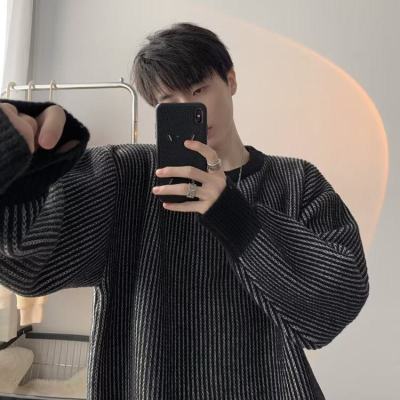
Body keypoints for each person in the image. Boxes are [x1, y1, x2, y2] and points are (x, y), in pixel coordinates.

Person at [0, 22, 369, 400]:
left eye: (198, 90)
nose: (188, 108)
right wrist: (13, 157)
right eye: (168, 100)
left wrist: (232, 213)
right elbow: (28, 261)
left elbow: (332, 307)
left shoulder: (296, 181)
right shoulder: (127, 176)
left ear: (230, 80)